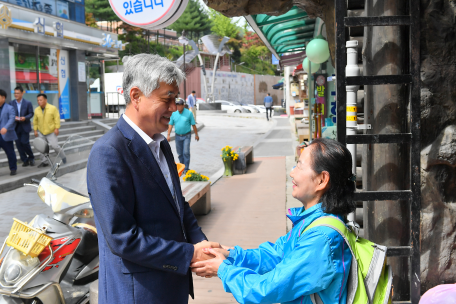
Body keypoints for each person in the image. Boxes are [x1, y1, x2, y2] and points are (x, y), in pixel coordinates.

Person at [87, 54, 219, 304]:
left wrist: (204, 246)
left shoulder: (161, 145)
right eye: (167, 98)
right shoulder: (109, 152)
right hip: (138, 293)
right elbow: (122, 237)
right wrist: (189, 254)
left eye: (175, 98)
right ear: (136, 96)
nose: (174, 107)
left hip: (170, 286)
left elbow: (178, 206)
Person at [191, 138, 356, 304]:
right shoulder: (314, 222)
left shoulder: (321, 238)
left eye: (299, 166)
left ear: (321, 180)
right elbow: (276, 254)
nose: (292, 173)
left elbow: (267, 289)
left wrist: (223, 269)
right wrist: (230, 254)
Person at [167, 98, 199, 174]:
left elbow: (193, 125)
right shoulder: (174, 114)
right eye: (177, 105)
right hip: (177, 136)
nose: (178, 107)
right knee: (180, 153)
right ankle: (182, 167)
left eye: (180, 105)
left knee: (186, 152)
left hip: (186, 136)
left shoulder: (189, 113)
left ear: (183, 105)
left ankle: (186, 169)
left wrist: (196, 135)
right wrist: (168, 135)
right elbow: (170, 125)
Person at [33, 94, 65, 167]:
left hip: (51, 131)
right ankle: (44, 162)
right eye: (38, 100)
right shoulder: (37, 110)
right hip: (41, 132)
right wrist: (35, 130)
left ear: (45, 100)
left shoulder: (52, 108)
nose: (39, 102)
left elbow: (56, 119)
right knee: (41, 147)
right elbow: (35, 121)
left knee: (55, 146)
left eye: (40, 100)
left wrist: (57, 128)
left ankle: (63, 157)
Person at [10, 86, 35, 167]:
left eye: (17, 93)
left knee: (25, 143)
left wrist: (25, 118)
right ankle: (24, 160)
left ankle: (31, 158)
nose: (16, 95)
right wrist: (14, 117)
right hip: (15, 127)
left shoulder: (28, 103)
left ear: (22, 93)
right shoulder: (11, 103)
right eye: (15, 93)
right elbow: (10, 113)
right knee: (18, 145)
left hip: (25, 125)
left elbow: (31, 113)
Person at [0, 89, 18, 176]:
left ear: (3, 97)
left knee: (10, 153)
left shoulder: (9, 108)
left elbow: (12, 119)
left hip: (6, 135)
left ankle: (13, 168)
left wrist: (5, 128)